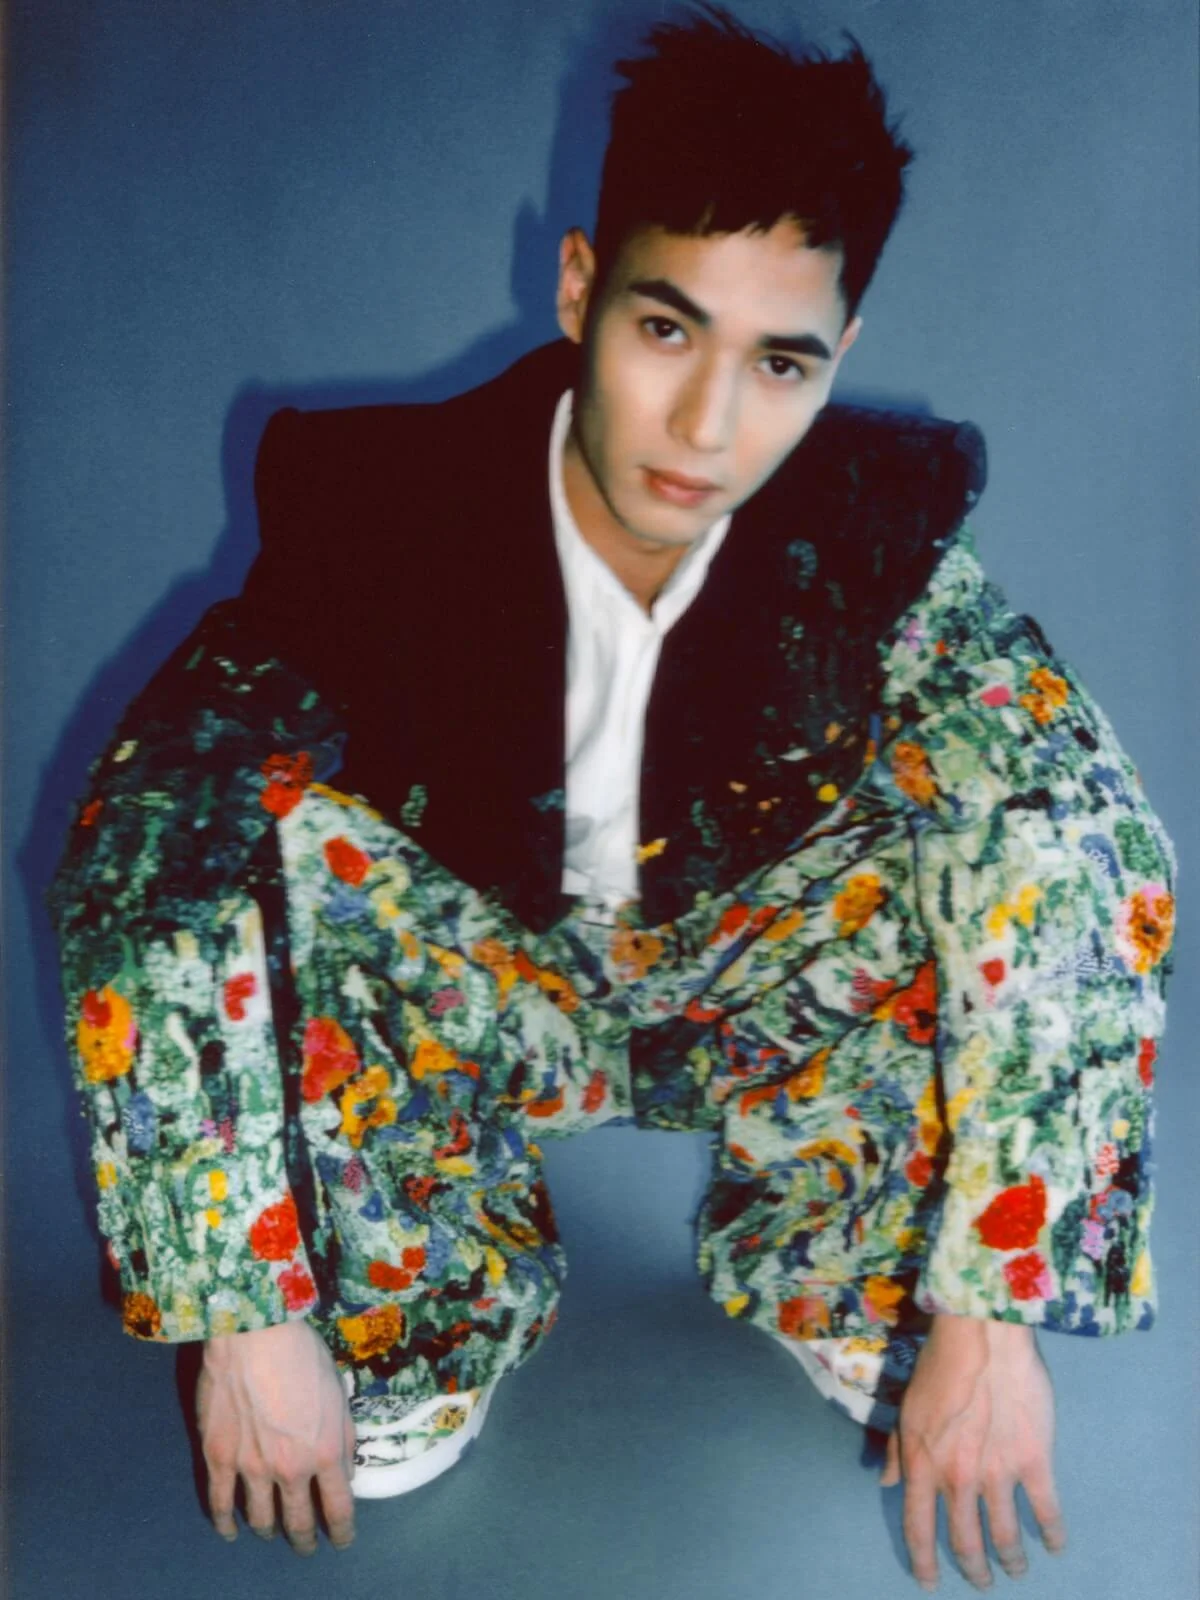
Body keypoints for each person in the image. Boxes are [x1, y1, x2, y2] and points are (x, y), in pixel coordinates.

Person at [48, 6, 1175, 1590]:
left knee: (990, 820)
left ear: (840, 354)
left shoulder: (880, 536)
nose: (709, 428)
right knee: (272, 834)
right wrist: (242, 1314)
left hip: (762, 994)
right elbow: (149, 856)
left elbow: (1080, 836)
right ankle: (417, 1301)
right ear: (579, 286)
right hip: (473, 996)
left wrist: (994, 1317)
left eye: (779, 363)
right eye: (665, 330)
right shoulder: (372, 515)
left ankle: (852, 1265)